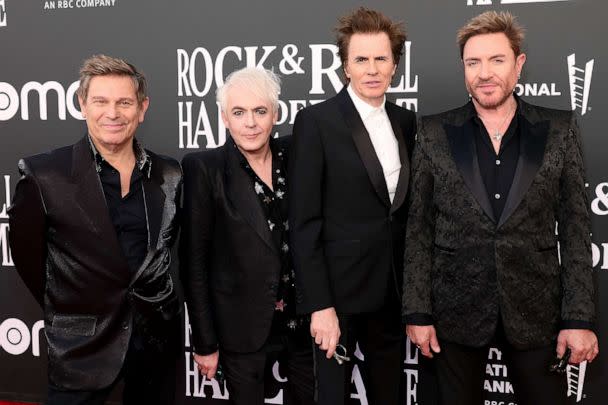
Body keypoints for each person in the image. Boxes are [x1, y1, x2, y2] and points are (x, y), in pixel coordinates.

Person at [402, 11, 599, 405]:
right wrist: (417, 312)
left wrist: (578, 319)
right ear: (463, 68)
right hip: (454, 312)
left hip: (535, 310)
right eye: (473, 63)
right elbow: (419, 226)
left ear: (518, 64)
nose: (484, 73)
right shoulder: (434, 132)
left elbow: (576, 227)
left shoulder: (559, 129)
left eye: (496, 60)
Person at [8, 54, 182, 405]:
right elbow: (29, 260)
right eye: (100, 101)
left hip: (155, 338)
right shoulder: (45, 175)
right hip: (81, 344)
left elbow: (165, 251)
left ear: (142, 107)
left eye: (124, 102)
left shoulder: (169, 174)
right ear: (82, 104)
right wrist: (74, 305)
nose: (112, 113)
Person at [289, 7, 416, 404]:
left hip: (392, 293)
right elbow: (304, 222)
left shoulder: (407, 122)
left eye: (381, 58)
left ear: (395, 64)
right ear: (345, 65)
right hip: (337, 298)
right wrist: (320, 306)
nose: (372, 69)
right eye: (361, 59)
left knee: (389, 395)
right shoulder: (316, 121)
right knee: (331, 397)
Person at [180, 67, 315, 405]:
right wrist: (205, 343)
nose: (250, 123)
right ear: (225, 118)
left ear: (276, 114)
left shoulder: (298, 154)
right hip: (241, 326)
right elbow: (194, 262)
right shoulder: (205, 168)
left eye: (260, 111)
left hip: (303, 320)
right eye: (239, 112)